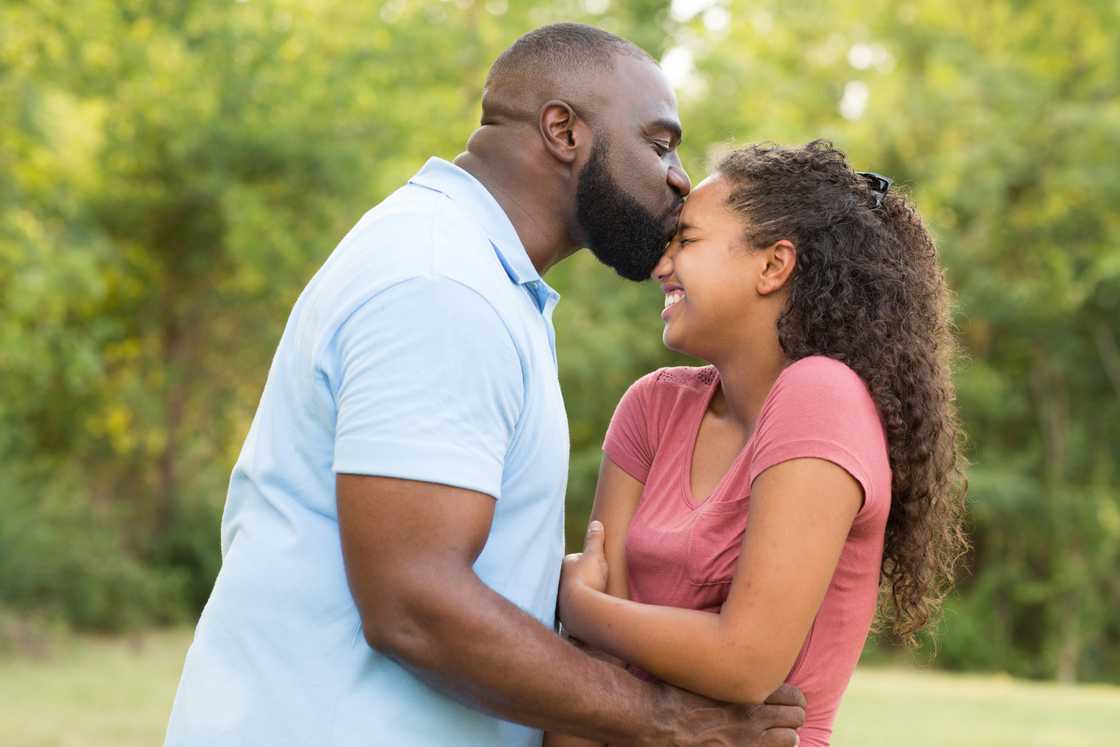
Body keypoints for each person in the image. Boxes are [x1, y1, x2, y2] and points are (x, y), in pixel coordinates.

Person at [163, 24, 805, 747]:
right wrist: (660, 718)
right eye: (659, 143)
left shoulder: (477, 274)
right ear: (563, 130)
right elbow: (414, 601)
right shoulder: (443, 284)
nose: (680, 177)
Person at [551, 141, 968, 746]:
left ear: (773, 266)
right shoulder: (653, 406)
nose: (660, 266)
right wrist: (596, 632)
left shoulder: (820, 397)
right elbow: (593, 674)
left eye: (686, 241)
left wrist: (580, 607)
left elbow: (745, 660)